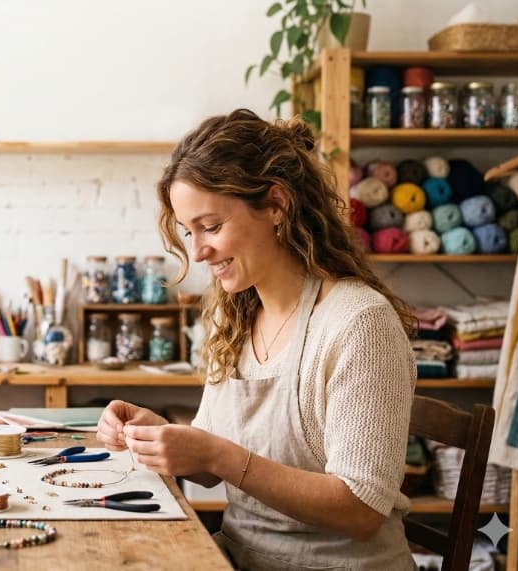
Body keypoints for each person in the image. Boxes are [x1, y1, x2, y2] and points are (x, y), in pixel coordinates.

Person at [96, 109, 417, 570]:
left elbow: (361, 510)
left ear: (276, 205)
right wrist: (161, 437)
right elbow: (210, 462)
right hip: (239, 559)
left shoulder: (359, 323)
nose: (198, 251)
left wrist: (216, 454)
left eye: (210, 226)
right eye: (189, 232)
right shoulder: (239, 316)